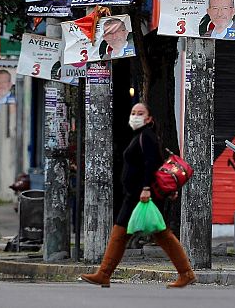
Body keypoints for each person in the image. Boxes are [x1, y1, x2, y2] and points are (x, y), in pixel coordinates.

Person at [81, 103, 196, 288]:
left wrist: (146, 188)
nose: (135, 116)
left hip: (142, 195)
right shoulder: (141, 136)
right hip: (136, 194)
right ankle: (104, 274)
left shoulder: (147, 136)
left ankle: (186, 273)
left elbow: (151, 164)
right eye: (133, 112)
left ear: (149, 119)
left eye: (140, 113)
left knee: (150, 234)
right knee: (129, 234)